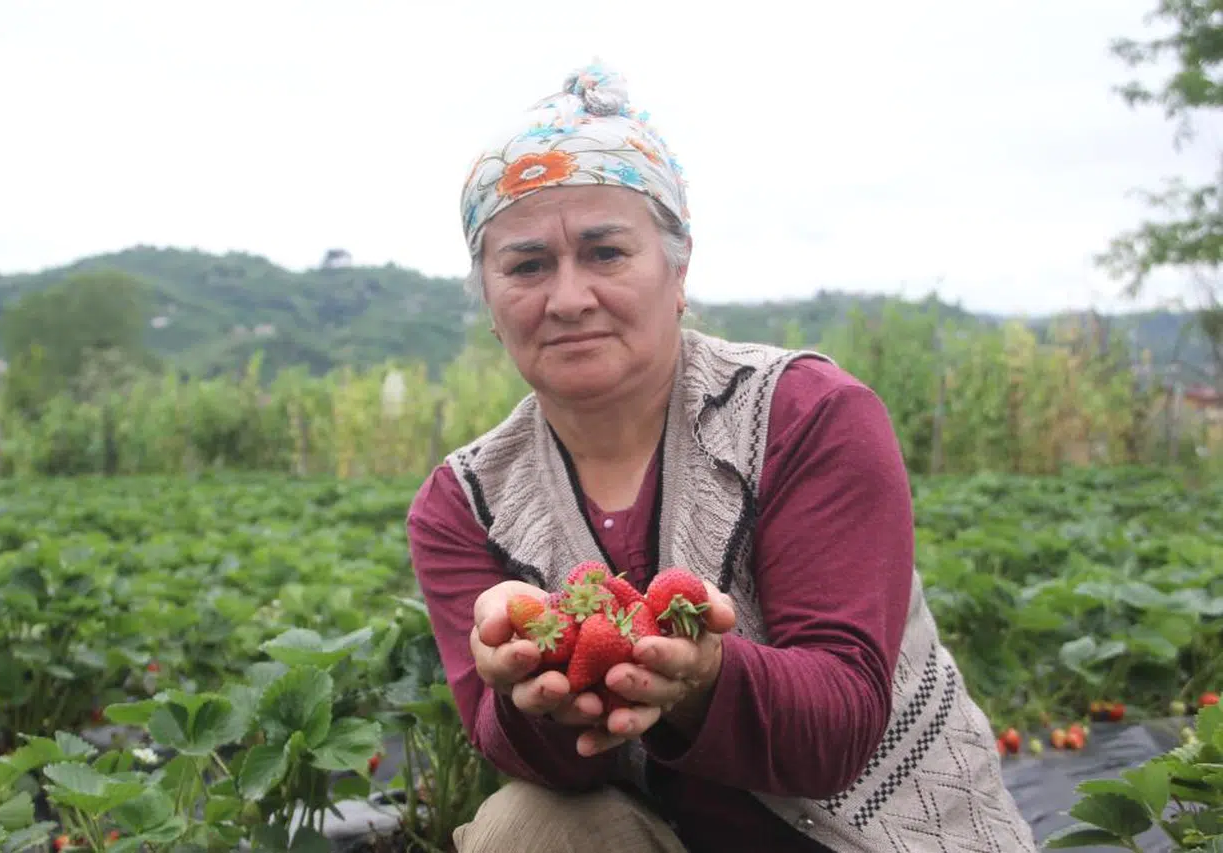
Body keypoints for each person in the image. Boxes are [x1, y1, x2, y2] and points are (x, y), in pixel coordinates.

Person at [407, 61, 1035, 853]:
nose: (567, 298)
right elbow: (517, 751)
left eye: (605, 252)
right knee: (522, 827)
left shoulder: (807, 415)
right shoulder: (461, 502)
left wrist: (706, 678)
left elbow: (840, 724)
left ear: (679, 270)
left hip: (880, 836)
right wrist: (531, 691)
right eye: (527, 265)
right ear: (491, 303)